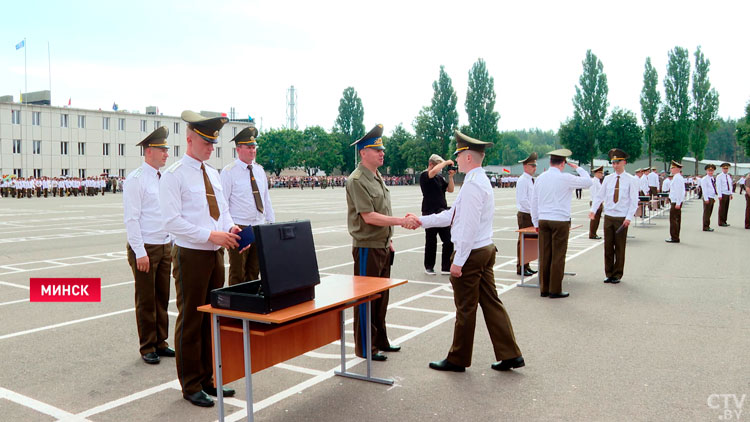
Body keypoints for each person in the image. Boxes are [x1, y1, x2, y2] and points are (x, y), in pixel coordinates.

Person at [410, 131, 523, 373]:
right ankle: (510, 353)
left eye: (459, 155)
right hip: (484, 248)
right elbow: (453, 215)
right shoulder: (478, 181)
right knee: (492, 303)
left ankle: (458, 358)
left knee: (465, 307)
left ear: (468, 157)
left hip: (472, 253)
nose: (456, 160)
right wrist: (422, 221)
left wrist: (458, 261)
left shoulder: (472, 185)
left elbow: (467, 226)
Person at [160, 111, 243, 407]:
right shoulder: (174, 175)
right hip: (191, 254)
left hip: (214, 253)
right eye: (206, 142)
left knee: (211, 318)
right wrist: (211, 235)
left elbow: (222, 210)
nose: (211, 148)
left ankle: (209, 377)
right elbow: (172, 222)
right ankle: (191, 384)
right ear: (190, 139)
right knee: (191, 320)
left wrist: (230, 228)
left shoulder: (211, 173)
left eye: (213, 143)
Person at [345, 124, 406, 362]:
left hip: (381, 245)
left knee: (381, 298)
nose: (382, 153)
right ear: (363, 153)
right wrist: (400, 221)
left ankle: (381, 340)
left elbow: (381, 210)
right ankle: (365, 347)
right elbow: (369, 217)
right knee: (365, 300)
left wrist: (389, 237)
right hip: (366, 248)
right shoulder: (357, 180)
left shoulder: (376, 176)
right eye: (376, 150)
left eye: (382, 150)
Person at [123, 126, 174, 365]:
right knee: (146, 299)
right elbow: (132, 219)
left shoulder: (164, 178)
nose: (166, 154)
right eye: (163, 149)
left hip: (164, 246)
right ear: (149, 151)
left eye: (166, 149)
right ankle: (147, 346)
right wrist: (140, 252)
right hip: (146, 247)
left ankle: (161, 341)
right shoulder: (136, 180)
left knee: (162, 298)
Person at [530, 149, 592, 299]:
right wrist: (578, 168)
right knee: (558, 256)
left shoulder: (540, 178)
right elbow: (588, 182)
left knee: (545, 255)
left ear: (550, 162)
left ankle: (544, 289)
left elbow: (534, 201)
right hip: (560, 220)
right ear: (563, 163)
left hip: (543, 220)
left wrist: (535, 221)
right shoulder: (565, 177)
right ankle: (555, 289)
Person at [221, 124, 275, 286]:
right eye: (249, 147)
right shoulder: (229, 172)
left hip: (258, 226)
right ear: (238, 149)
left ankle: (250, 305)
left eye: (254, 147)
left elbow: (266, 200)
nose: (253, 151)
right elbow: (223, 204)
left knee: (254, 271)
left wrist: (270, 225)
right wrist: (228, 228)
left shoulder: (259, 170)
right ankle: (236, 306)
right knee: (238, 272)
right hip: (240, 227)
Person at [589, 149, 638, 284]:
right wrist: (593, 210)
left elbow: (634, 201)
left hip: (621, 217)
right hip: (609, 216)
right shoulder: (608, 179)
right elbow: (600, 196)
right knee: (608, 247)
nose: (615, 165)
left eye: (618, 162)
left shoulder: (631, 180)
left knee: (620, 247)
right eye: (613, 163)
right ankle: (609, 273)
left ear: (624, 162)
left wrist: (629, 217)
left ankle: (617, 274)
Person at [419, 154, 455, 276]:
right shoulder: (425, 175)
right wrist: (445, 162)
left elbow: (450, 190)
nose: (440, 169)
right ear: (431, 164)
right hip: (429, 211)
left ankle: (446, 267)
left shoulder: (439, 178)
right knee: (431, 241)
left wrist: (450, 177)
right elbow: (432, 173)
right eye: (438, 166)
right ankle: (429, 267)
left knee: (448, 240)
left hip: (441, 211)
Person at [515, 152, 538, 276]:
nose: (535, 168)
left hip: (530, 214)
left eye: (535, 166)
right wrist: (533, 211)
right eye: (532, 165)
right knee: (523, 241)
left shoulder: (530, 180)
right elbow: (523, 200)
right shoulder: (523, 180)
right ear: (525, 166)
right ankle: (521, 267)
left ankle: (526, 265)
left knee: (529, 242)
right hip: (525, 214)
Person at [666, 161, 685, 243]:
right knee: (676, 219)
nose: (671, 169)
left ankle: (674, 237)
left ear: (677, 168)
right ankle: (675, 236)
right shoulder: (677, 177)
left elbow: (679, 191)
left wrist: (678, 203)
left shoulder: (677, 178)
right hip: (676, 201)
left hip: (675, 202)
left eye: (672, 168)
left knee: (674, 220)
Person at [700, 164, 719, 232]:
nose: (710, 172)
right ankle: (705, 226)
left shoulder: (712, 178)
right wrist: (706, 199)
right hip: (707, 197)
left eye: (712, 171)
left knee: (709, 212)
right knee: (707, 212)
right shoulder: (704, 179)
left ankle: (707, 225)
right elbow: (704, 190)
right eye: (709, 171)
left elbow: (713, 188)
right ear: (706, 171)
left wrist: (714, 198)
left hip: (711, 197)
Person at [588, 166, 604, 239]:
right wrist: (596, 205)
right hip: (595, 202)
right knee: (595, 219)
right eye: (601, 173)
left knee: (597, 219)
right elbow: (594, 194)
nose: (602, 175)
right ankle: (592, 234)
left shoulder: (597, 181)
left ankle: (593, 233)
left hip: (598, 202)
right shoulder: (594, 181)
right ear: (597, 173)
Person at [716, 163, 733, 227]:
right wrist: (719, 195)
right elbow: (718, 186)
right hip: (723, 193)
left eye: (727, 168)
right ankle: (721, 221)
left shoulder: (728, 176)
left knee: (726, 208)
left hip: (727, 193)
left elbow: (730, 185)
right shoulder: (719, 176)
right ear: (722, 169)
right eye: (724, 168)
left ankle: (724, 221)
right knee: (722, 208)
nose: (726, 170)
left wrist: (731, 193)